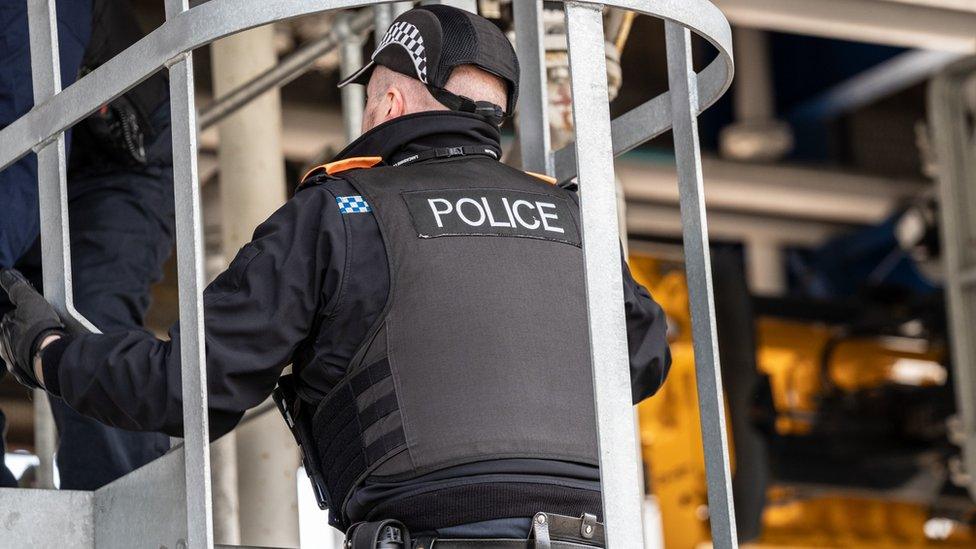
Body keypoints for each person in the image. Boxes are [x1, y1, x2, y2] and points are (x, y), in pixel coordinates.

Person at [0, 5, 670, 546]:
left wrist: (47, 351)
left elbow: (183, 389)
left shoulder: (341, 214)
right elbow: (644, 357)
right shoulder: (573, 213)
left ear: (389, 101)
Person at [0, 0, 172, 489]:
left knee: (86, 317)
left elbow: (26, 129)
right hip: (25, 160)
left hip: (109, 171)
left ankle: (132, 521)